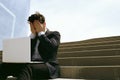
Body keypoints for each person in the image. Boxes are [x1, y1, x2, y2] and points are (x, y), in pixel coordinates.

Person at [0, 12, 61, 80]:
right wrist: (32, 35)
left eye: (36, 26)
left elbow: (51, 48)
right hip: (31, 65)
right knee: (4, 66)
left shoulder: (54, 34)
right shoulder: (33, 37)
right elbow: (25, 54)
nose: (35, 29)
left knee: (28, 67)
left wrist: (41, 33)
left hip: (48, 67)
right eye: (33, 27)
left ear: (44, 24)